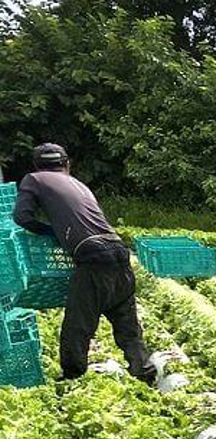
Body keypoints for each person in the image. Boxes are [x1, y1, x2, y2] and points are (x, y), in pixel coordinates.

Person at [11, 143, 153, 383]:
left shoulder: (34, 179)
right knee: (127, 324)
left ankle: (72, 377)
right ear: (66, 164)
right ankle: (144, 372)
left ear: (36, 165)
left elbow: (22, 216)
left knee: (78, 324)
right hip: (118, 249)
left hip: (92, 255)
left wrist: (51, 233)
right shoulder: (79, 184)